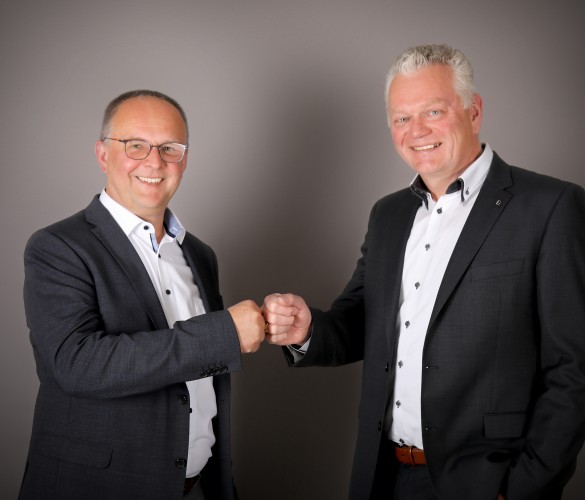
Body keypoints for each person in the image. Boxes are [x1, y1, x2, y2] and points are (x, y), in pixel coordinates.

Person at [262, 44, 585, 499]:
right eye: (401, 117)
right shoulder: (388, 215)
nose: (417, 131)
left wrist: (525, 488)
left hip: (487, 483)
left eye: (433, 111)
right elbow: (360, 321)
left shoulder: (550, 207)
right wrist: (308, 328)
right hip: (384, 476)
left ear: (474, 111)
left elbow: (573, 368)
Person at [20, 90, 265, 500]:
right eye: (136, 145)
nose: (154, 162)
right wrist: (224, 333)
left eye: (170, 148)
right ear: (103, 154)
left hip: (198, 487)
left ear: (184, 160)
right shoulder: (58, 246)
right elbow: (77, 364)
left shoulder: (200, 255)